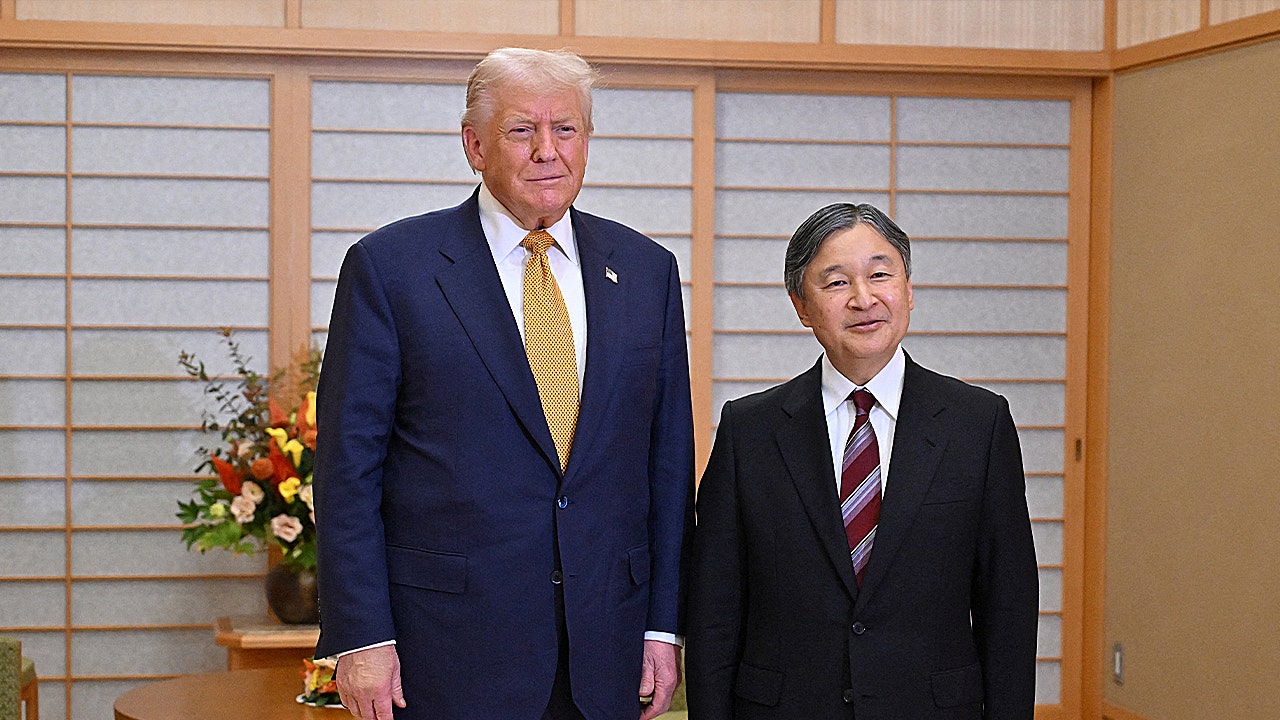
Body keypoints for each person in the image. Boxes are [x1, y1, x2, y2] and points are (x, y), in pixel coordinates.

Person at [313, 47, 695, 720]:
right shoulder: (391, 268)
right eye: (523, 130)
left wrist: (664, 625)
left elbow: (668, 463)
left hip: (606, 645)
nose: (549, 150)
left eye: (566, 128)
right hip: (446, 650)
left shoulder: (645, 270)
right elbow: (348, 469)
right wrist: (363, 635)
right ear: (475, 145)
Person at [685, 203, 1038, 719]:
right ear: (802, 306)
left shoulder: (978, 424)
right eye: (836, 283)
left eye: (879, 275)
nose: (863, 299)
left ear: (908, 290)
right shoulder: (750, 430)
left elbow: (1008, 605)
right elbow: (714, 608)